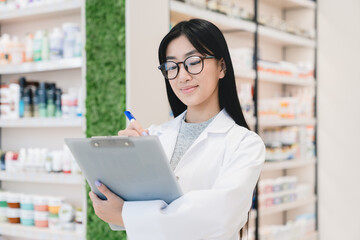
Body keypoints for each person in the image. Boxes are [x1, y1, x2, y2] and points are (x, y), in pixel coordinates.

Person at [89, 18, 265, 240]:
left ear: (222, 66)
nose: (182, 76)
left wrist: (128, 216)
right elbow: (132, 211)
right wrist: (129, 162)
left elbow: (219, 218)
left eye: (193, 62)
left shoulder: (245, 144)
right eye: (172, 66)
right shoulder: (154, 136)